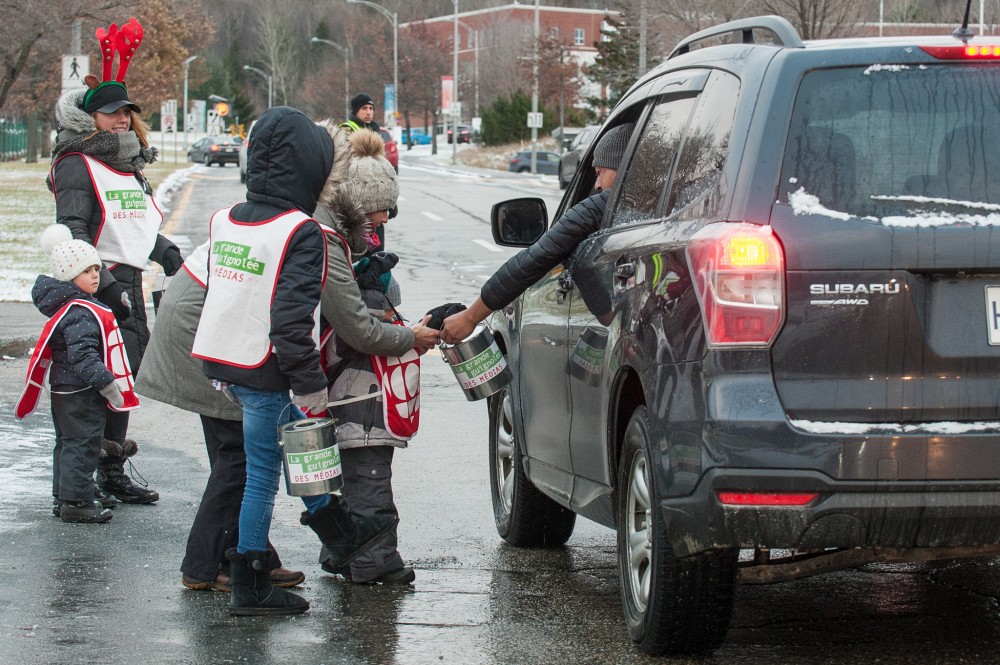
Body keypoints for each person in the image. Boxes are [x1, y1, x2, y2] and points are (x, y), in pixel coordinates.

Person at [191, 106, 410, 616]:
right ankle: (250, 583)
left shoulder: (227, 217)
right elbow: (291, 320)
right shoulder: (301, 230)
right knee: (263, 474)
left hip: (225, 360)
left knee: (298, 443)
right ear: (314, 168)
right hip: (268, 365)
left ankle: (341, 531)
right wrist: (309, 384)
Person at [47, 19, 181, 505]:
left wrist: (167, 253)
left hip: (128, 281)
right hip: (93, 288)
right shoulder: (76, 162)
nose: (121, 119)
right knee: (93, 383)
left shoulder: (128, 164)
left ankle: (111, 470)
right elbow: (75, 230)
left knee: (125, 375)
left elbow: (136, 227)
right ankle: (79, 484)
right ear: (90, 119)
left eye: (125, 112)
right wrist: (101, 286)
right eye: (110, 113)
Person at [134, 241, 305, 593]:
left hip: (205, 316)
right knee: (239, 453)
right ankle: (204, 564)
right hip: (202, 325)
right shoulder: (309, 231)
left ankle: (244, 554)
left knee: (234, 450)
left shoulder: (284, 216)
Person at [313, 128, 439, 585]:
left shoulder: (352, 246)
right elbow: (359, 329)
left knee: (350, 478)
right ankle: (373, 561)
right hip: (357, 389)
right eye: (378, 210)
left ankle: (340, 554)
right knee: (368, 477)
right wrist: (408, 335)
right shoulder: (338, 250)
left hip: (350, 383)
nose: (386, 217)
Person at [441, 122, 635, 344]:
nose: (598, 184)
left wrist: (470, 317)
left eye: (600, 173)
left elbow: (533, 260)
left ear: (623, 167)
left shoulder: (600, 207)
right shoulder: (665, 205)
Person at [16, 225, 140, 524]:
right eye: (86, 271)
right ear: (69, 276)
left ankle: (64, 496)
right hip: (79, 389)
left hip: (65, 387)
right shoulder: (80, 311)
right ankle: (77, 502)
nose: (95, 275)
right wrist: (108, 383)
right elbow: (83, 356)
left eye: (96, 268)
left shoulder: (72, 305)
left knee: (68, 442)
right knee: (83, 444)